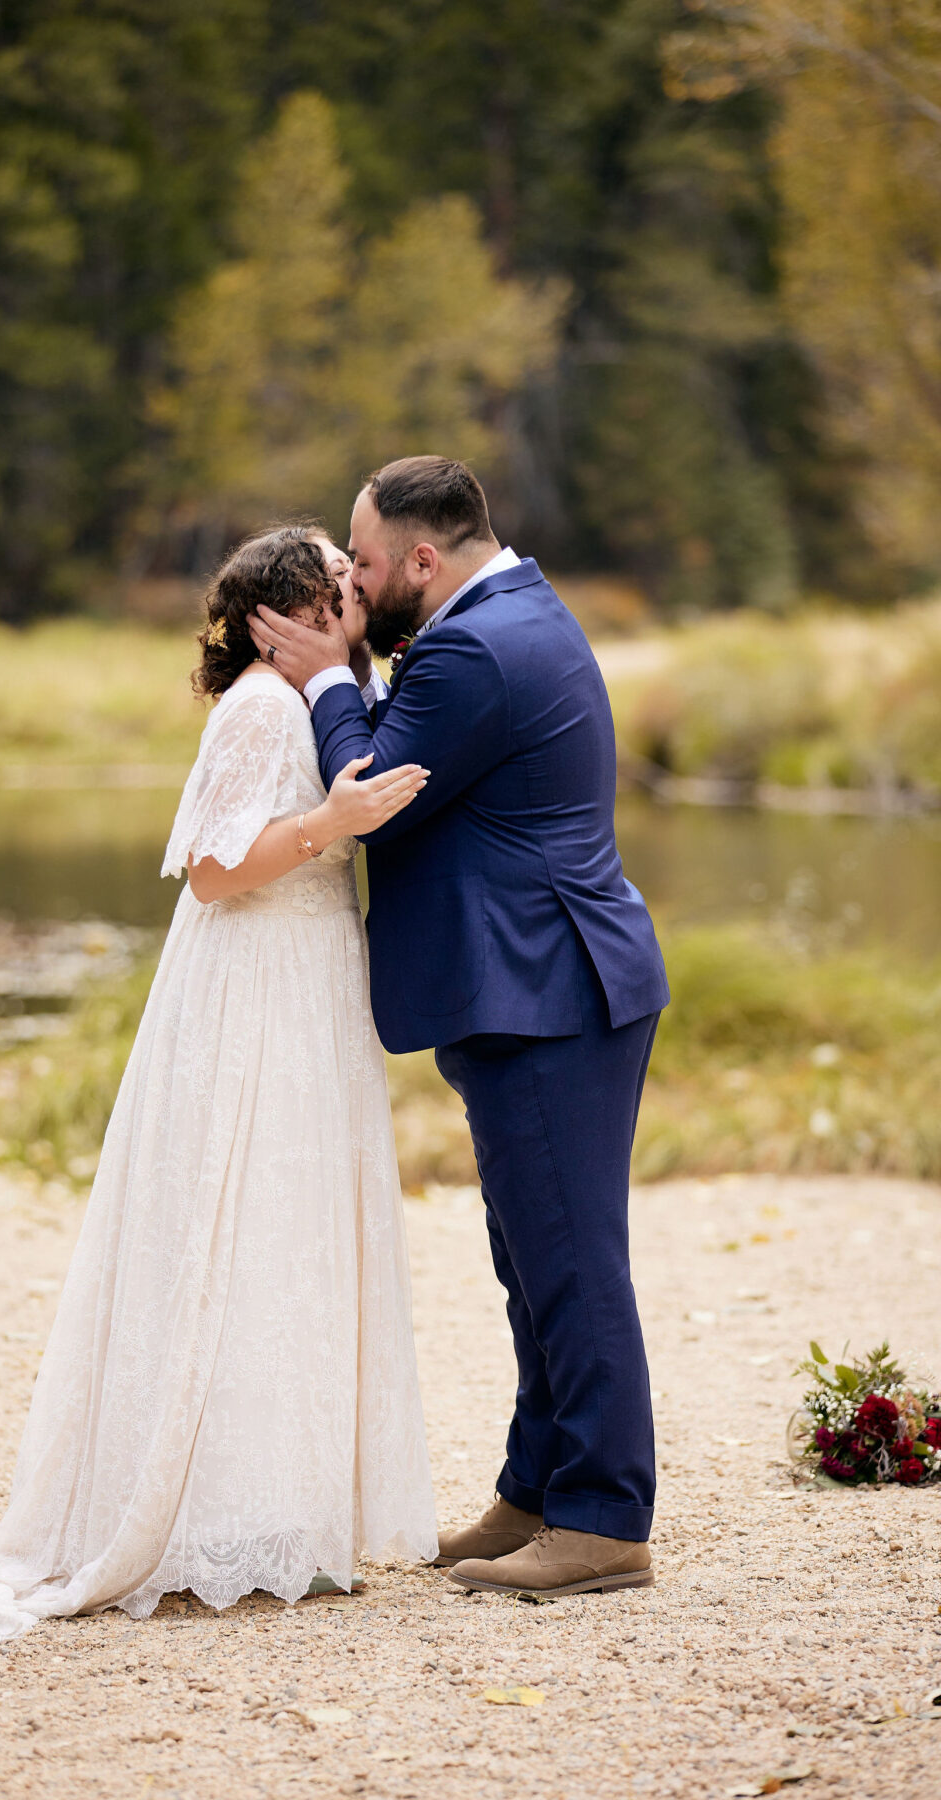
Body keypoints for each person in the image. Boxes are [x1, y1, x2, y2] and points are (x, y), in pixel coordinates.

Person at [0, 525, 437, 1641]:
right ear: (299, 608)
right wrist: (327, 826)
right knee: (243, 1217)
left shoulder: (320, 693)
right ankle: (207, 1510)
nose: (359, 587)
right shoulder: (262, 706)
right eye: (340, 577)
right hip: (256, 980)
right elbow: (217, 874)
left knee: (295, 1231)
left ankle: (285, 1508)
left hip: (311, 973)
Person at [248, 456, 669, 1601]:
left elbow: (372, 788)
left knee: (571, 1263)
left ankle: (601, 1519)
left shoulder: (476, 645)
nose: (357, 584)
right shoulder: (503, 615)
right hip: (541, 984)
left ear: (423, 561)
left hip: (546, 991)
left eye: (367, 563)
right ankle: (536, 1490)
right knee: (532, 1258)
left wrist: (333, 674)